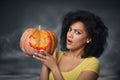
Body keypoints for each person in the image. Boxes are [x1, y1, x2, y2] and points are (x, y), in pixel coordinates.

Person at [33, 10, 108, 80]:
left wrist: (54, 67)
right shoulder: (55, 55)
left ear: (89, 39)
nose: (70, 35)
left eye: (77, 32)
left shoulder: (92, 63)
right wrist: (46, 63)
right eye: (70, 30)